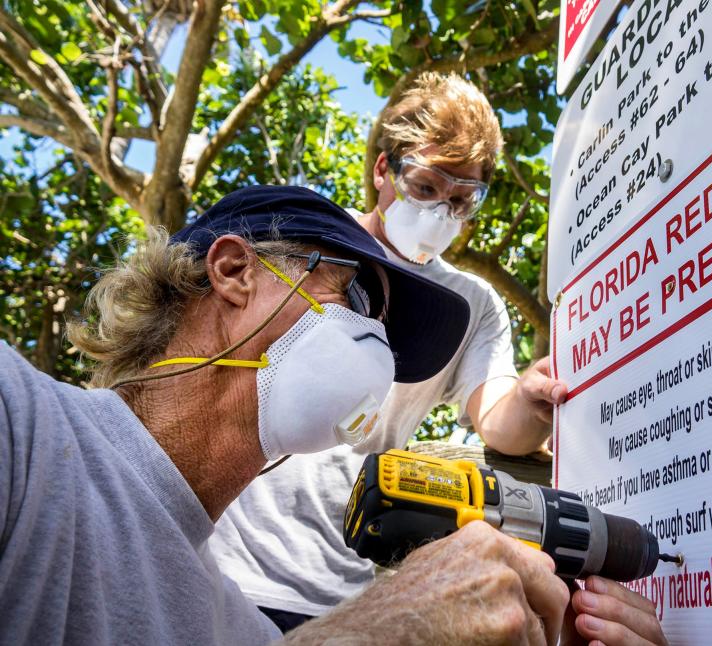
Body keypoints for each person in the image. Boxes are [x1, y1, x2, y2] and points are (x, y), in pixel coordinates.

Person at [0, 185, 583, 645]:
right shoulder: (22, 426)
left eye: (380, 326)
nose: (373, 344)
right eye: (353, 300)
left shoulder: (232, 624)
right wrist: (386, 632)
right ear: (233, 271)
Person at [209, 73, 666, 645]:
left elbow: (496, 418)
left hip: (346, 583)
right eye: (425, 186)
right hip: (226, 566)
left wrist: (529, 398)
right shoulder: (305, 242)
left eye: (461, 200)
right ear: (383, 171)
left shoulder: (470, 304)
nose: (439, 212)